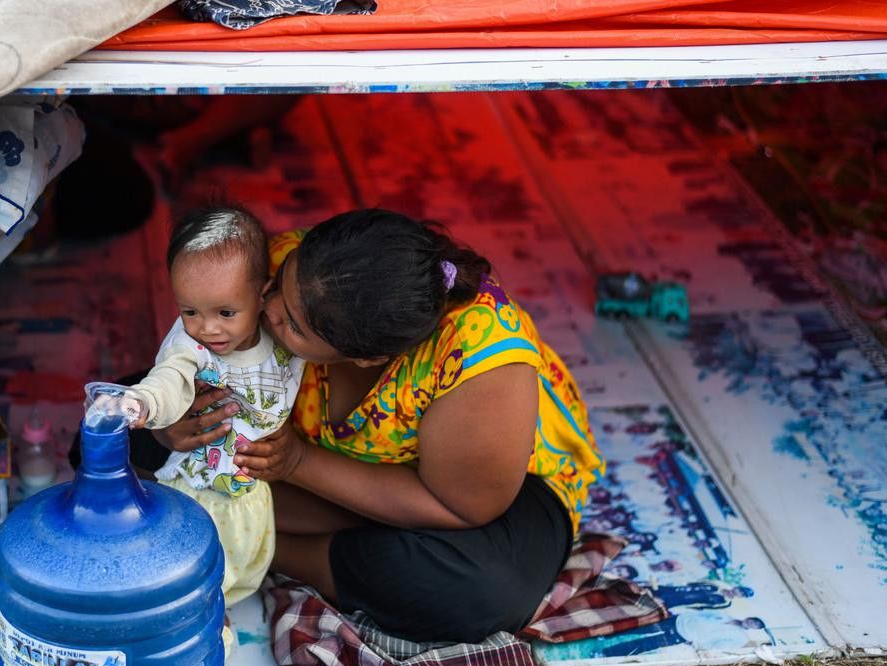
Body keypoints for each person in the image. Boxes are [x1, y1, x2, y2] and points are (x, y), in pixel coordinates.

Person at [154, 209, 605, 643]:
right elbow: (192, 359)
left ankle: (255, 549)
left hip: (460, 498)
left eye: (292, 324)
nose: (267, 310)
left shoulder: (481, 362)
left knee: (480, 589)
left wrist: (298, 462)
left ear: (366, 358)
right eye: (277, 288)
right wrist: (174, 423)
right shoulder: (276, 269)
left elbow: (463, 508)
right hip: (295, 473)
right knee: (129, 430)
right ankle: (258, 530)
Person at [111, 206, 304, 614]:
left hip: (250, 492)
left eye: (225, 313)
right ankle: (206, 622)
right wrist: (144, 401)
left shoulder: (283, 332)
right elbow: (170, 377)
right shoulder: (191, 346)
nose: (207, 328)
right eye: (190, 311)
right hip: (197, 490)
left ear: (263, 294)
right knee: (193, 577)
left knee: (245, 566)